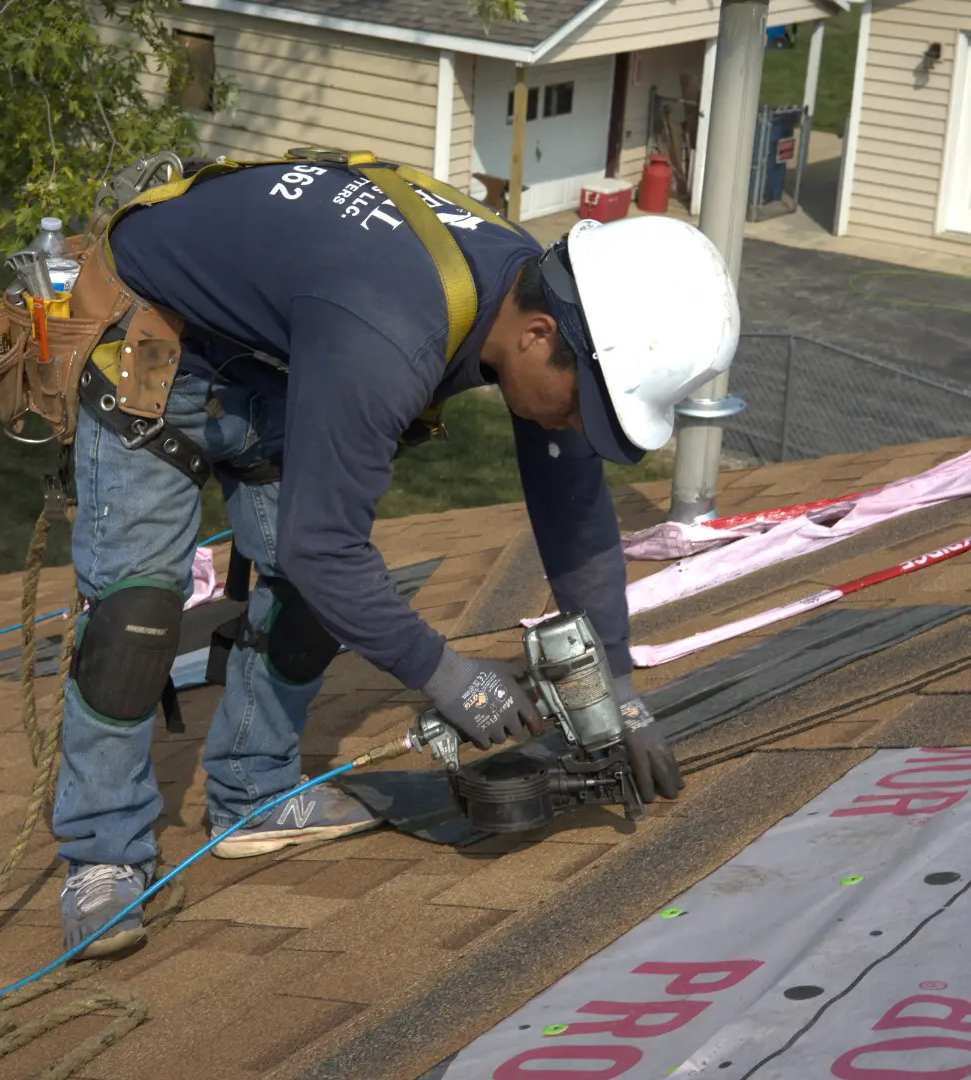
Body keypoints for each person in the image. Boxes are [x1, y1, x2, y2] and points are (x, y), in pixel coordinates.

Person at [55, 159, 739, 957]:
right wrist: (449, 676)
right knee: (134, 620)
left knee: (310, 603)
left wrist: (617, 687)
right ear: (539, 336)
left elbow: (573, 507)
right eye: (584, 406)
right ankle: (101, 856)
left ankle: (254, 793)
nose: (577, 427)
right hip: (153, 349)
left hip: (280, 356)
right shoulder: (392, 327)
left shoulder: (536, 293)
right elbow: (322, 546)